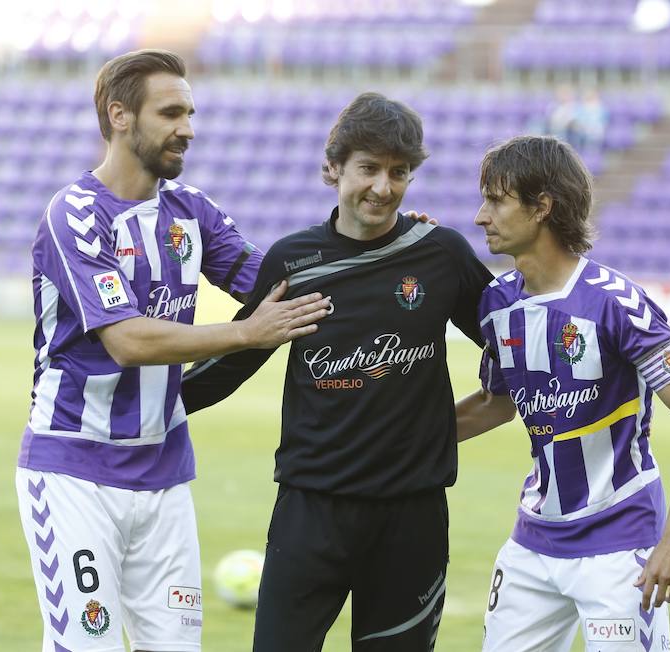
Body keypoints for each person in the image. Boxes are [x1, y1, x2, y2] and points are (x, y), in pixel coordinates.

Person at [15, 49, 331, 652]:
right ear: (120, 116)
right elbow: (128, 340)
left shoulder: (192, 211)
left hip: (165, 475)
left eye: (190, 112)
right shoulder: (76, 215)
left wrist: (383, 245)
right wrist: (245, 332)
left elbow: (279, 284)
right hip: (74, 472)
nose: (188, 127)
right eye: (171, 112)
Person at [181, 92, 493, 651]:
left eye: (398, 173)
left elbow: (515, 347)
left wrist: (446, 427)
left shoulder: (440, 254)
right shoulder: (292, 261)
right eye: (368, 168)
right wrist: (143, 409)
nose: (383, 187)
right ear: (333, 168)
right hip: (310, 512)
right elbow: (233, 362)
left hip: (412, 517)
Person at [455, 135, 670, 651]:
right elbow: (497, 403)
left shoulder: (618, 303)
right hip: (533, 541)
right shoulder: (496, 304)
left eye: (497, 200)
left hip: (620, 545)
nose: (481, 216)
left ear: (541, 208)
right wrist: (395, 438)